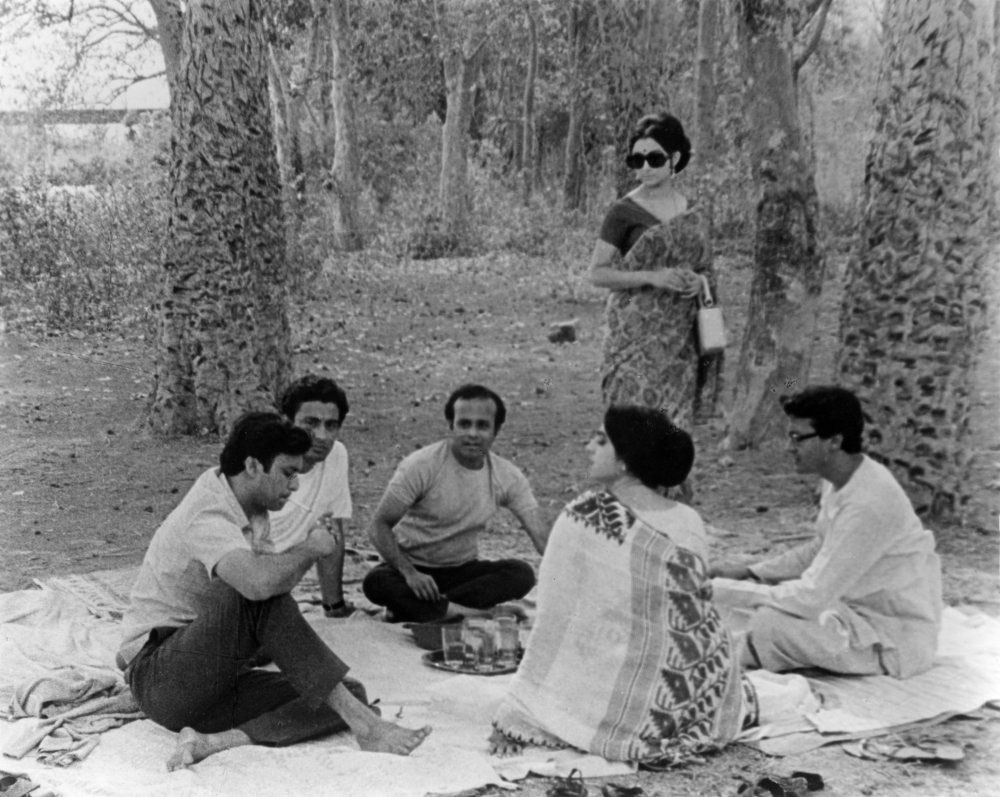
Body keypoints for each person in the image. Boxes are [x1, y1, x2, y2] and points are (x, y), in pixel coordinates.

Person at [118, 412, 430, 771]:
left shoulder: (251, 506)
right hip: (160, 679)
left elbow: (268, 594)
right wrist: (311, 549)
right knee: (259, 596)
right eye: (287, 473)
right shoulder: (208, 511)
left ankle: (214, 742)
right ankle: (367, 727)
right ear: (252, 465)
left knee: (347, 694)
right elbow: (259, 586)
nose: (295, 485)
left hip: (210, 682)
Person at [491, 406, 753, 766]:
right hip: (704, 685)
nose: (587, 447)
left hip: (636, 673)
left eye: (600, 441)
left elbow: (555, 620)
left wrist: (515, 711)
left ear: (625, 460)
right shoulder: (688, 518)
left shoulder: (584, 517)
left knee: (582, 661)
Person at [710, 386, 943, 678]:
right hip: (848, 611)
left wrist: (720, 589)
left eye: (798, 438)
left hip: (891, 637)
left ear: (834, 441)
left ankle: (720, 664)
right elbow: (820, 549)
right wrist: (748, 572)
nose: (789, 447)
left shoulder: (869, 503)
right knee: (738, 609)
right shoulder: (838, 480)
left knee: (768, 623)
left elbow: (810, 597)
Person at [362, 384, 549, 623]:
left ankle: (429, 609)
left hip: (462, 571)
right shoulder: (421, 465)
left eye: (482, 425)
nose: (472, 433)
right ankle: (474, 613)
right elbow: (379, 525)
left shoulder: (506, 475)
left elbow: (541, 536)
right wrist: (410, 573)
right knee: (376, 583)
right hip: (414, 567)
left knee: (521, 574)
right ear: (451, 425)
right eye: (464, 424)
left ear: (496, 430)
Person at [589, 112, 707, 430]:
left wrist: (700, 282)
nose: (644, 168)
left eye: (654, 159)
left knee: (673, 426)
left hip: (679, 339)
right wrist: (651, 277)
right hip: (633, 339)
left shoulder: (693, 211)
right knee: (634, 426)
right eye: (637, 160)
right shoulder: (623, 212)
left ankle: (670, 481)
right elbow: (598, 273)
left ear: (675, 158)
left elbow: (704, 266)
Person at [266, 374, 356, 618]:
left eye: (331, 425)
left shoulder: (336, 455)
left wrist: (335, 606)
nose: (323, 436)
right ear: (287, 421)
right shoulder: (262, 463)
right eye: (311, 423)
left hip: (280, 584)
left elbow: (332, 528)